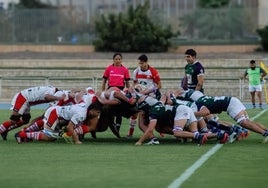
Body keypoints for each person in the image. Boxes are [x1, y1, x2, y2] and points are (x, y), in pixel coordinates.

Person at [174, 88, 268, 143]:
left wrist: (190, 114)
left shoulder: (198, 102)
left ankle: (265, 133)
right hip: (231, 100)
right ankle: (265, 130)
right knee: (248, 122)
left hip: (230, 104)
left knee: (244, 123)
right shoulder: (201, 98)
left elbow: (205, 113)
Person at [0, 86, 66, 141]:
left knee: (25, 120)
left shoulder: (52, 89)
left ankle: (6, 130)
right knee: (14, 120)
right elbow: (47, 97)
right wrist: (59, 98)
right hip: (22, 98)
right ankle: (2, 129)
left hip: (27, 101)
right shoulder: (52, 92)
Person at [127, 54, 162, 137]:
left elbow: (159, 85)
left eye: (142, 63)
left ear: (146, 62)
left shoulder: (153, 71)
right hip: (140, 95)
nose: (141, 65)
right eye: (139, 63)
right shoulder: (136, 71)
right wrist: (136, 89)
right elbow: (135, 83)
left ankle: (161, 131)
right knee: (134, 112)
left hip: (151, 95)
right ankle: (130, 133)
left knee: (153, 113)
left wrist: (150, 90)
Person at [101, 52, 131, 133]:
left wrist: (129, 91)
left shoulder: (125, 69)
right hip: (110, 90)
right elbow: (104, 81)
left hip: (120, 91)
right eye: (116, 59)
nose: (118, 61)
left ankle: (117, 127)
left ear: (121, 60)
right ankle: (108, 123)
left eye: (119, 59)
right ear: (113, 60)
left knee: (119, 108)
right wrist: (103, 91)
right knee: (107, 107)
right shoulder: (109, 68)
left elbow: (127, 83)